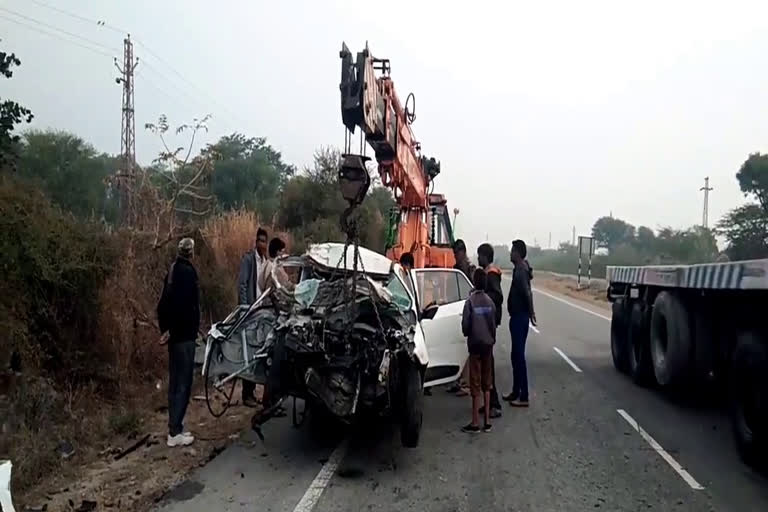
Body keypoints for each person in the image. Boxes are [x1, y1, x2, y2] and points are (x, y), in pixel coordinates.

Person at [157, 238, 200, 447]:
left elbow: (163, 303)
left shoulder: (172, 270)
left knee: (174, 383)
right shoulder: (189, 273)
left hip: (174, 336)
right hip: (184, 336)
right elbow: (189, 306)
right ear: (191, 253)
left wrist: (165, 329)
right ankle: (175, 431)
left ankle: (174, 427)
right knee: (183, 383)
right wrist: (190, 328)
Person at [460, 268, 496, 433]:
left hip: (475, 346)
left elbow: (466, 327)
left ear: (474, 282)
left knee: (475, 384)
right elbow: (493, 326)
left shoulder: (470, 301)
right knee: (487, 384)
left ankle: (475, 422)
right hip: (488, 346)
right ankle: (487, 421)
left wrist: (469, 333)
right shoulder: (490, 302)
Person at [238, 227, 269, 407]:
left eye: (265, 241)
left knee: (258, 352)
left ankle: (253, 392)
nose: (263, 245)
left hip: (261, 313)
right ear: (256, 242)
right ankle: (246, 394)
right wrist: (244, 308)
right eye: (260, 241)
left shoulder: (265, 262)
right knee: (248, 353)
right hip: (249, 312)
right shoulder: (249, 259)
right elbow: (242, 284)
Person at [506, 239, 536, 407]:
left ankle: (523, 396)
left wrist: (531, 313)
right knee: (515, 355)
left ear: (518, 252)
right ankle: (516, 391)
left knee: (519, 356)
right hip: (517, 316)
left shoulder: (521, 270)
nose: (510, 253)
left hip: (520, 317)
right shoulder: (519, 268)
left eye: (512, 250)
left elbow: (527, 292)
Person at [476, 243, 503, 419]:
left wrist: (482, 297)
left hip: (489, 322)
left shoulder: (491, 274)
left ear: (485, 256)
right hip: (488, 322)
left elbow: (497, 296)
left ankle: (494, 404)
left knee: (488, 364)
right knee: (486, 363)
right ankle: (488, 402)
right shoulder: (489, 272)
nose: (478, 258)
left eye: (479, 255)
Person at [450, 239, 474, 396]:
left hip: (469, 312)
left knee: (468, 349)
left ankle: (466, 383)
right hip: (457, 310)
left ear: (463, 252)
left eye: (457, 254)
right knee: (457, 345)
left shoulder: (470, 271)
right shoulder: (455, 269)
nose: (455, 257)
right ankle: (458, 379)